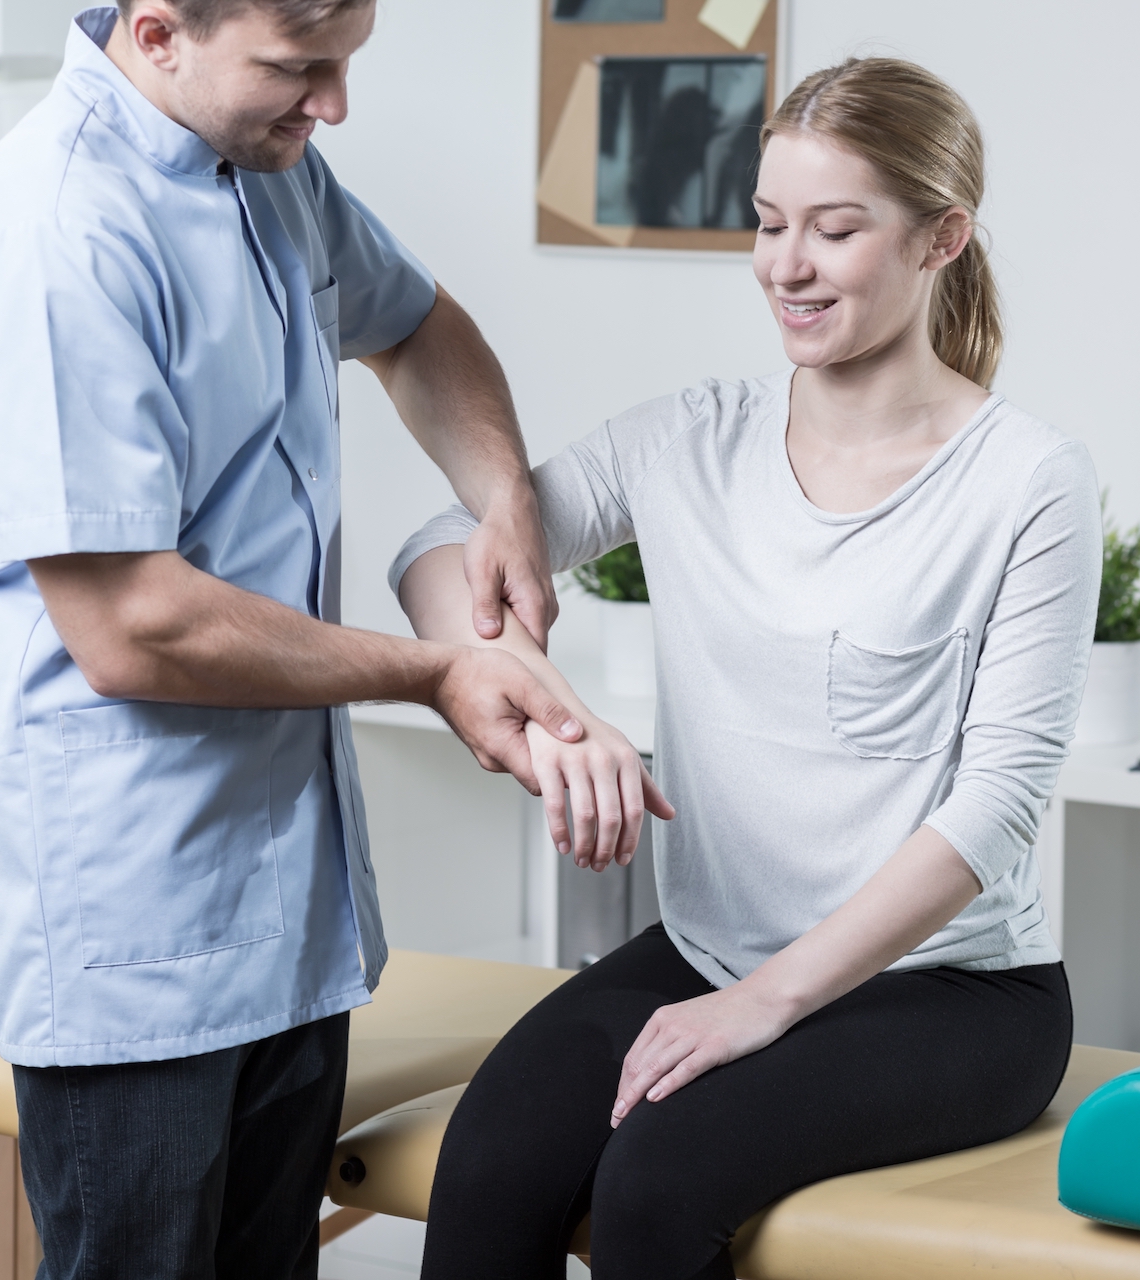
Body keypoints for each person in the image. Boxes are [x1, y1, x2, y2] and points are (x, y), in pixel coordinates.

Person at [392, 57, 1102, 1280]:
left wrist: (767, 1002)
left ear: (943, 237)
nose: (786, 264)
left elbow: (997, 809)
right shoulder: (686, 439)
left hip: (953, 991)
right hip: (707, 946)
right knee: (492, 1164)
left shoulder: (1029, 482)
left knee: (657, 1193)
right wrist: (539, 699)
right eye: (769, 224)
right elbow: (440, 552)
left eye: (835, 229)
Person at [0, 2, 584, 1275]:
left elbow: (419, 326)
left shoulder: (268, 169)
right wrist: (436, 669)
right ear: (159, 31)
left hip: (290, 909)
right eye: (300, 70)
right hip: (137, 923)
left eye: (346, 63)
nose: (333, 106)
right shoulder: (53, 235)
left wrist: (504, 497)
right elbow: (136, 625)